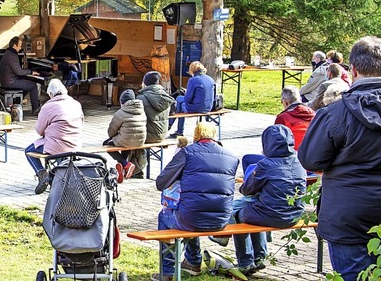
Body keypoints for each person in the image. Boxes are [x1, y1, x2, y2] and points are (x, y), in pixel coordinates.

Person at [298, 36, 381, 281]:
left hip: (348, 217)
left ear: (353, 70)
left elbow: (310, 160)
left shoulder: (335, 113)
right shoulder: (336, 113)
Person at [151, 122, 239, 281]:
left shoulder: (187, 153)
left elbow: (161, 183)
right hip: (221, 220)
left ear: (196, 135)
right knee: (191, 211)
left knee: (166, 216)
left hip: (190, 217)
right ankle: (193, 262)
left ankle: (167, 272)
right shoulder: (231, 157)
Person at [230, 125, 307, 275]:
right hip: (295, 214)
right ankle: (260, 257)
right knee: (255, 210)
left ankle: (245, 262)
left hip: (273, 215)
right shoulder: (298, 161)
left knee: (239, 214)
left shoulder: (266, 164)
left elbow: (247, 190)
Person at [25, 79, 84, 194]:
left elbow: (39, 130)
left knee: (28, 151)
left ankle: (42, 173)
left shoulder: (48, 107)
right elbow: (82, 124)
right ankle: (59, 178)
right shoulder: (76, 104)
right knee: (60, 151)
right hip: (75, 144)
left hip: (57, 145)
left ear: (51, 94)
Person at [103, 89, 146, 183]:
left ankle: (125, 164)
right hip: (140, 140)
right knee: (127, 142)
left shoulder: (121, 112)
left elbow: (111, 132)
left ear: (122, 102)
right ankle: (123, 168)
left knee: (106, 144)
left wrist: (117, 135)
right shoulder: (141, 110)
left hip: (126, 140)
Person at [168, 62, 215, 138]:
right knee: (180, 102)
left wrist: (186, 92)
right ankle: (176, 129)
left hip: (197, 108)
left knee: (179, 100)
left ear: (192, 70)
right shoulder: (211, 79)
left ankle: (172, 126)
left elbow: (188, 98)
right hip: (209, 107)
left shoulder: (193, 80)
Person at [0, 36, 41, 115]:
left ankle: (17, 103)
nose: (20, 48)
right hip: (10, 82)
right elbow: (18, 72)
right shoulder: (12, 56)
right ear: (15, 45)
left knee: (26, 84)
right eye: (20, 45)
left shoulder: (7, 53)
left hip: (6, 81)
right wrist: (31, 72)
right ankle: (35, 109)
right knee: (32, 85)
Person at [137, 71, 174, 143]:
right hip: (163, 135)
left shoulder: (140, 98)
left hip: (146, 136)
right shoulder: (165, 96)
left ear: (144, 83)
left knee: (126, 135)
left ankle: (139, 154)